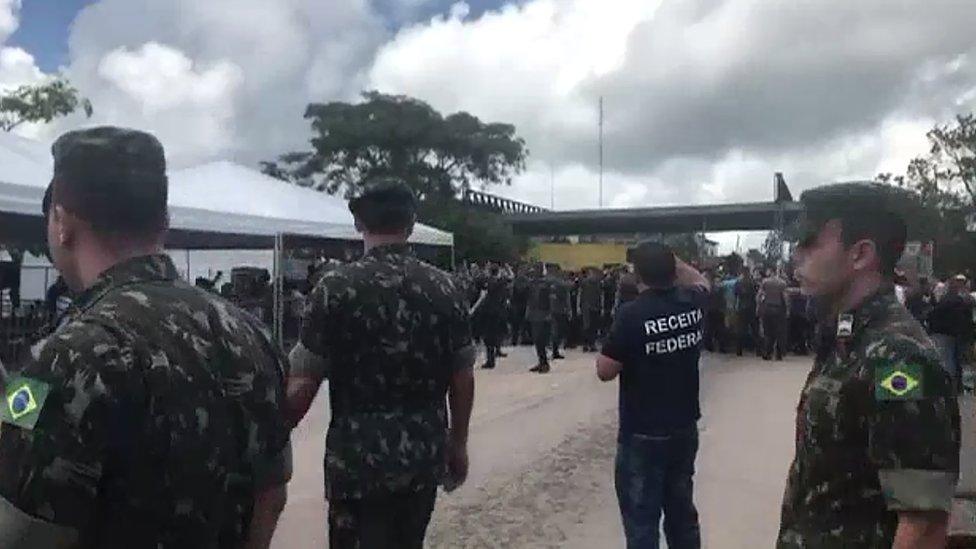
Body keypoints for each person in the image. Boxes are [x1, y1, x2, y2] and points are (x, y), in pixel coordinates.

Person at [0, 127, 292, 548]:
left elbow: (18, 531)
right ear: (165, 223)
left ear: (62, 224)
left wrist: (10, 417)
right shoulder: (249, 331)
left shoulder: (63, 356)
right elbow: (272, 493)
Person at [285, 180, 476, 549]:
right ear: (411, 224)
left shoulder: (336, 288)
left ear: (358, 224)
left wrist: (269, 439)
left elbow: (303, 382)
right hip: (423, 454)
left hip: (356, 460)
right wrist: (459, 444)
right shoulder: (446, 287)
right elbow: (462, 376)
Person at [777, 182, 960, 548]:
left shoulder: (898, 358)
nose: (796, 255)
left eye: (809, 243)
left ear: (860, 254)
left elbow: (922, 524)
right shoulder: (850, 336)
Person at [596, 241, 709, 549]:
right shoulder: (693, 302)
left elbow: (605, 370)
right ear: (675, 271)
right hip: (684, 426)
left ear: (636, 274)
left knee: (642, 523)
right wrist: (677, 264)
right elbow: (701, 281)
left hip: (643, 432)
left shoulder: (631, 315)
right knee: (681, 514)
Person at [928, 274, 975, 393]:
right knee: (957, 360)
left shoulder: (951, 298)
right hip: (954, 333)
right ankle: (956, 386)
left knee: (953, 361)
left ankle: (954, 386)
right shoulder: (961, 299)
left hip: (950, 333)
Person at [478, 265, 509, 369]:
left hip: (489, 312)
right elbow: (510, 277)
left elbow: (483, 295)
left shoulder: (489, 282)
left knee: (489, 337)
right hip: (499, 312)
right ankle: (495, 354)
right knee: (496, 335)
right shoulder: (502, 282)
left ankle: (490, 361)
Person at [759, 269, 788, 360]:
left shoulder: (765, 282)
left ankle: (767, 353)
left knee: (768, 332)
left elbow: (760, 295)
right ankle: (778, 354)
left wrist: (759, 307)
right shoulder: (782, 283)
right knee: (779, 332)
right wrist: (787, 310)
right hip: (778, 309)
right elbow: (785, 297)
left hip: (767, 309)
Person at [734, 269, 760, 356]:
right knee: (755, 330)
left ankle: (739, 350)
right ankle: (758, 350)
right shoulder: (753, 282)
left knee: (740, 330)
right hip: (752, 307)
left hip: (741, 307)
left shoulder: (738, 282)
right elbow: (756, 293)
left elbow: (736, 294)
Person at [579, 267, 604, 352]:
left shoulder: (586, 282)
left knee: (588, 326)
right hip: (592, 306)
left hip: (588, 306)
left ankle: (587, 344)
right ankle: (590, 344)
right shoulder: (596, 283)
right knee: (591, 326)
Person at [550, 266, 571, 360]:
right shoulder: (560, 284)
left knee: (557, 331)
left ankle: (554, 350)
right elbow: (566, 297)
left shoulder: (551, 282)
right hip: (558, 310)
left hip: (555, 310)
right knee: (557, 331)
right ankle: (554, 350)